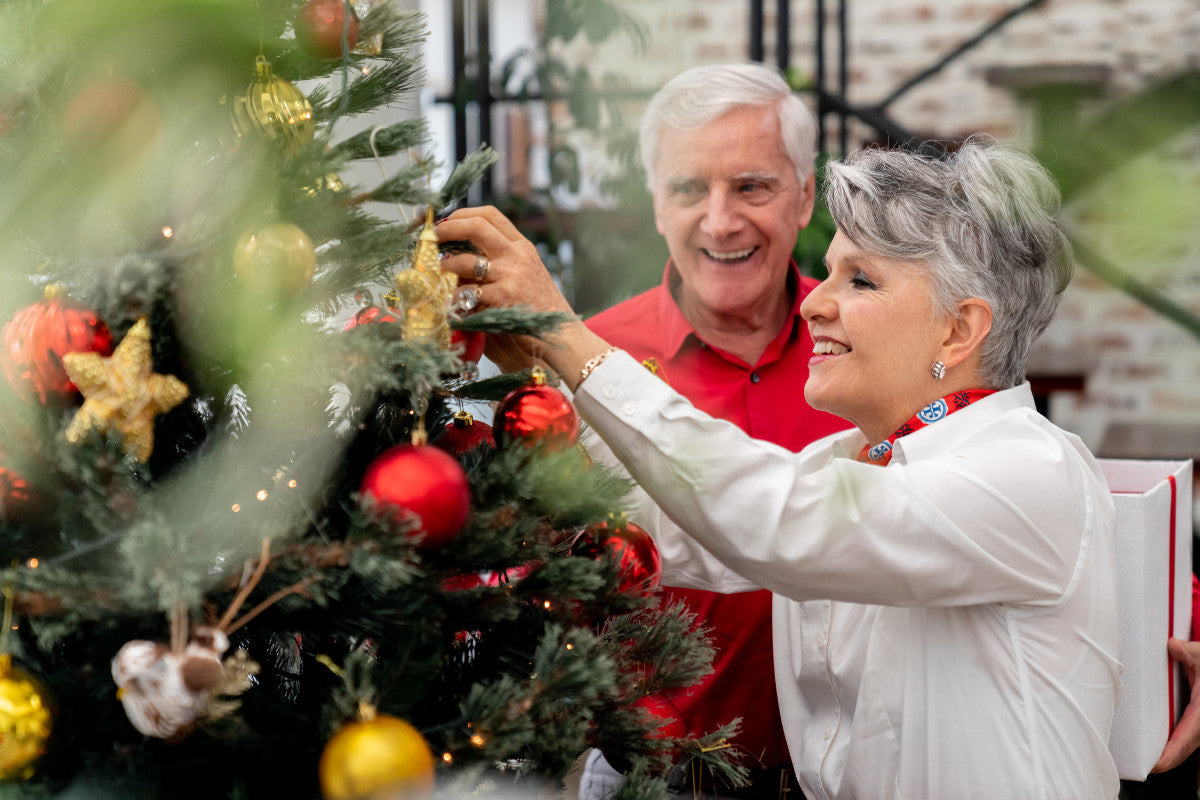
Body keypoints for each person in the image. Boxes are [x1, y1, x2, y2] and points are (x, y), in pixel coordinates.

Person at [437, 137, 1124, 799]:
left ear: (959, 330)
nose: (813, 301)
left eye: (859, 279)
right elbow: (682, 527)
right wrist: (540, 373)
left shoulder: (1027, 470)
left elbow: (773, 518)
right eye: (828, 271)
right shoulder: (854, 459)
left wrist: (569, 337)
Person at [575, 63, 848, 799]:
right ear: (657, 205)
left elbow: (992, 484)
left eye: (751, 186)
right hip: (654, 778)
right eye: (689, 189)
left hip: (846, 774)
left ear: (805, 196)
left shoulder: (873, 347)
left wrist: (1185, 629)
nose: (720, 221)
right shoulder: (593, 368)